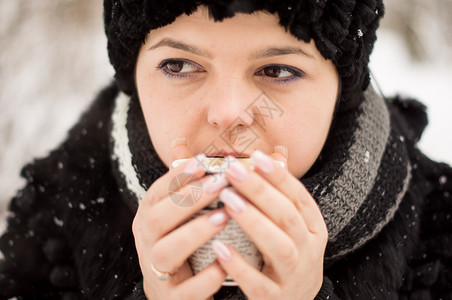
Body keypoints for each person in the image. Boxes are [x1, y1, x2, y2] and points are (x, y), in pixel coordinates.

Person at [1, 0, 451, 299]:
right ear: (134, 78)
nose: (230, 113)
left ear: (342, 90)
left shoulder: (439, 233)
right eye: (178, 65)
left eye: (277, 69)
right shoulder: (55, 223)